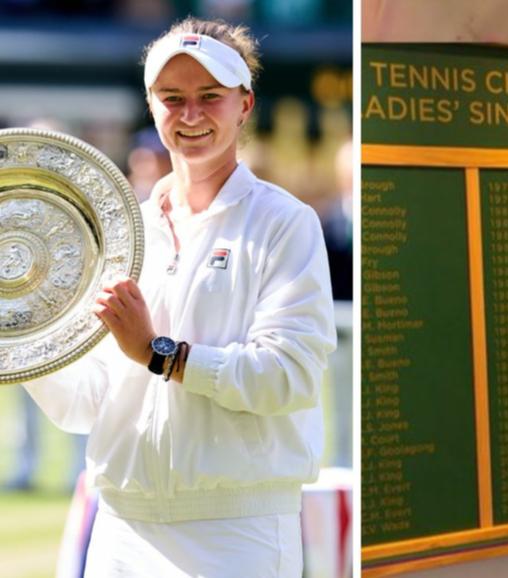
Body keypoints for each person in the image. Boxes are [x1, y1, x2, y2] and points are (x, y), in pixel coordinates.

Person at [24, 17, 336, 578]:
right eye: (173, 99)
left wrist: (158, 352)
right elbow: (85, 402)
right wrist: (20, 332)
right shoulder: (122, 234)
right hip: (120, 529)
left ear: (245, 104)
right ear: (152, 105)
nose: (190, 115)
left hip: (238, 534)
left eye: (209, 97)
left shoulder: (286, 223)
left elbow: (287, 376)